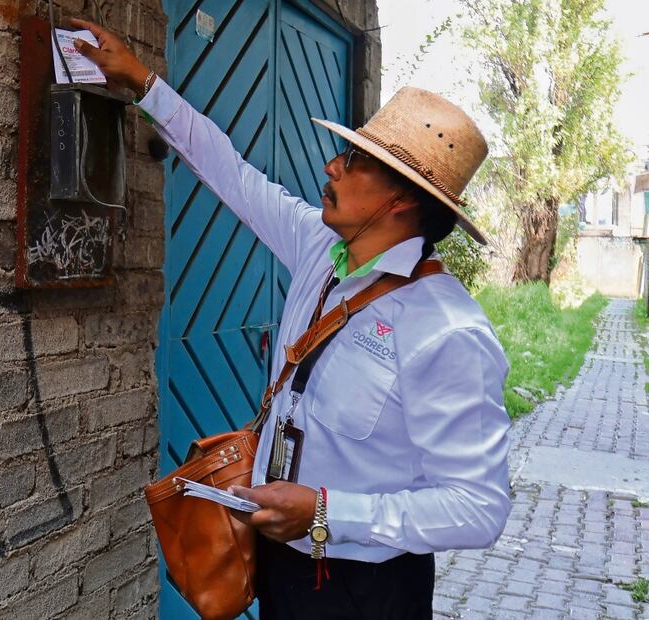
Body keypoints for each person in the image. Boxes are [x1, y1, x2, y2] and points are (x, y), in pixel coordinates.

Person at [71, 17, 511, 620]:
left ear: (402, 199)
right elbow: (230, 172)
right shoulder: (319, 248)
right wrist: (142, 82)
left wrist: (328, 512)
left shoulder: (449, 332)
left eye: (354, 160)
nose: (332, 166)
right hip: (280, 562)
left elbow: (479, 507)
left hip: (367, 588)